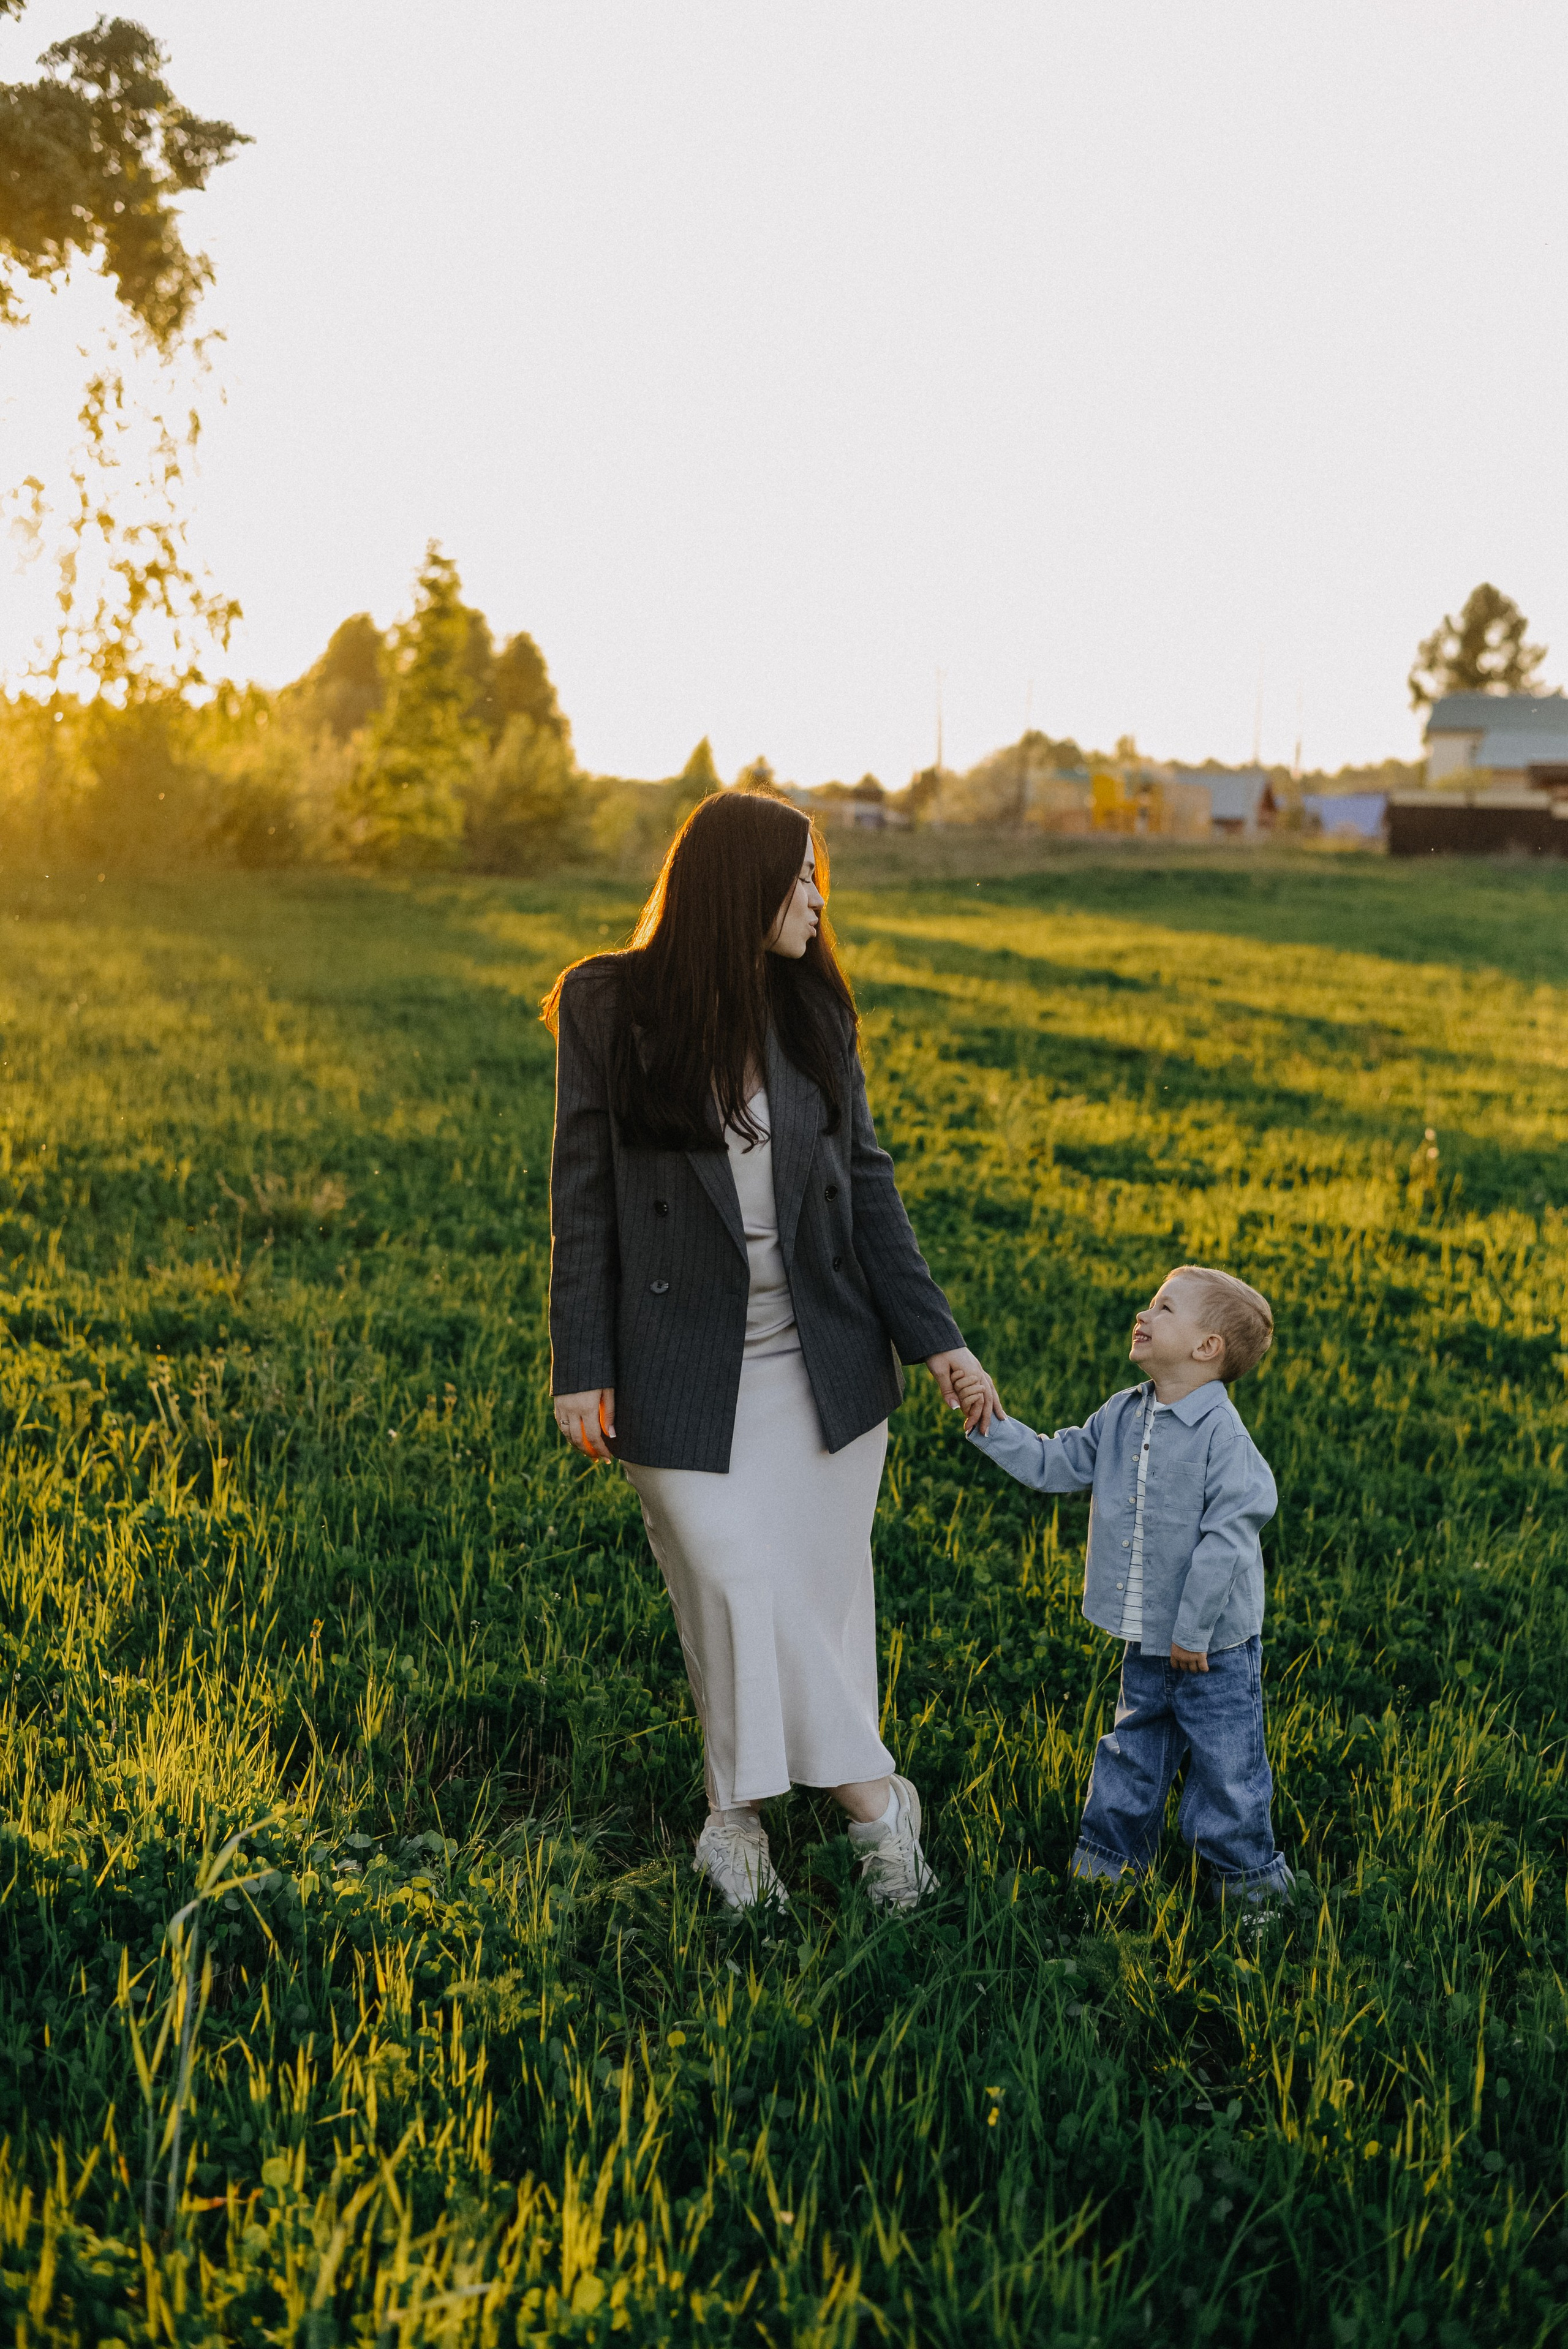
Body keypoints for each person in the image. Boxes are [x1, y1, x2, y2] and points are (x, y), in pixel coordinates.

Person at [544, 788, 1001, 1912]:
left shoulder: (815, 1015)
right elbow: (583, 1195)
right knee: (734, 1576)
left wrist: (936, 1340)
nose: (817, 898)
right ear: (738, 885)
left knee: (808, 1604)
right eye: (800, 877)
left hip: (820, 1361)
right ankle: (879, 1809)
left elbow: (868, 1188)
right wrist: (581, 1359)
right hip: (675, 1362)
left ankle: (733, 1825)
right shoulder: (608, 1005)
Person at [954, 1266, 1292, 1904]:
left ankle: (1250, 1891)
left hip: (1211, 1649)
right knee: (1131, 1753)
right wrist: (990, 1422)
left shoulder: (1224, 1439)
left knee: (1228, 1771)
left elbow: (1226, 1542)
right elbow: (1055, 1462)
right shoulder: (1123, 1414)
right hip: (1148, 1638)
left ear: (1206, 1348)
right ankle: (1107, 1873)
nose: (1143, 1313)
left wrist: (1192, 1632)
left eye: (1164, 1307)